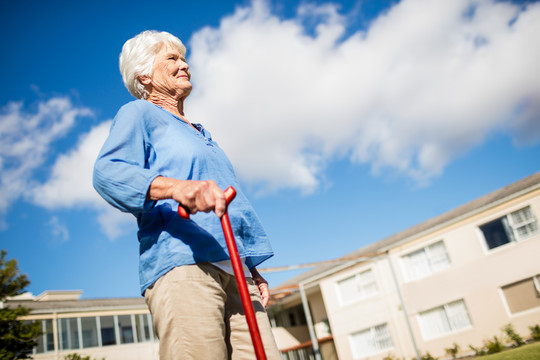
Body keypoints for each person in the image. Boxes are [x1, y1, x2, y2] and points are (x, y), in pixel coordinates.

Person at [93, 30, 281, 360]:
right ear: (144, 75)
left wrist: (251, 267)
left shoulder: (202, 134)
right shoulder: (138, 115)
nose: (185, 64)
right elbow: (108, 172)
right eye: (172, 58)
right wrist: (179, 188)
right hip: (183, 265)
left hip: (236, 270)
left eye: (183, 58)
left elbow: (228, 204)